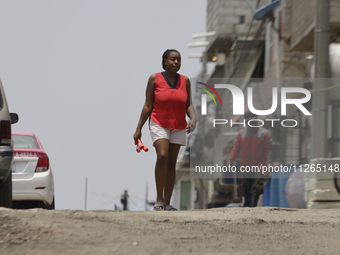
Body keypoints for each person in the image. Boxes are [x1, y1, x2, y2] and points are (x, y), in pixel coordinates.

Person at [133, 49, 196, 211]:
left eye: (179, 60)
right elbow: (148, 105)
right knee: (162, 156)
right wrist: (138, 128)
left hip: (178, 125)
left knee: (171, 163)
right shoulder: (154, 79)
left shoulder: (185, 81)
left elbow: (188, 104)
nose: (176, 62)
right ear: (165, 61)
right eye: (173, 59)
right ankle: (159, 199)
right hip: (158, 122)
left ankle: (167, 202)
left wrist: (193, 118)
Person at [226, 111, 272, 207]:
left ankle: (253, 207)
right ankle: (247, 207)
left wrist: (266, 166)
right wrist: (230, 160)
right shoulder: (241, 134)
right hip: (245, 166)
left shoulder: (264, 134)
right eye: (249, 122)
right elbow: (236, 148)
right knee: (245, 188)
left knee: (257, 188)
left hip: (259, 166)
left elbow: (268, 151)